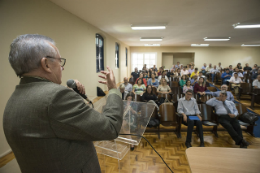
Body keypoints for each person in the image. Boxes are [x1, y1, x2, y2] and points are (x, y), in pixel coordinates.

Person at [3, 34, 124, 173]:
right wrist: (113, 89)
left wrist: (72, 95)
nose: (62, 67)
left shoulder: (13, 100)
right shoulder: (57, 97)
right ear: (46, 64)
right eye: (60, 61)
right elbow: (110, 127)